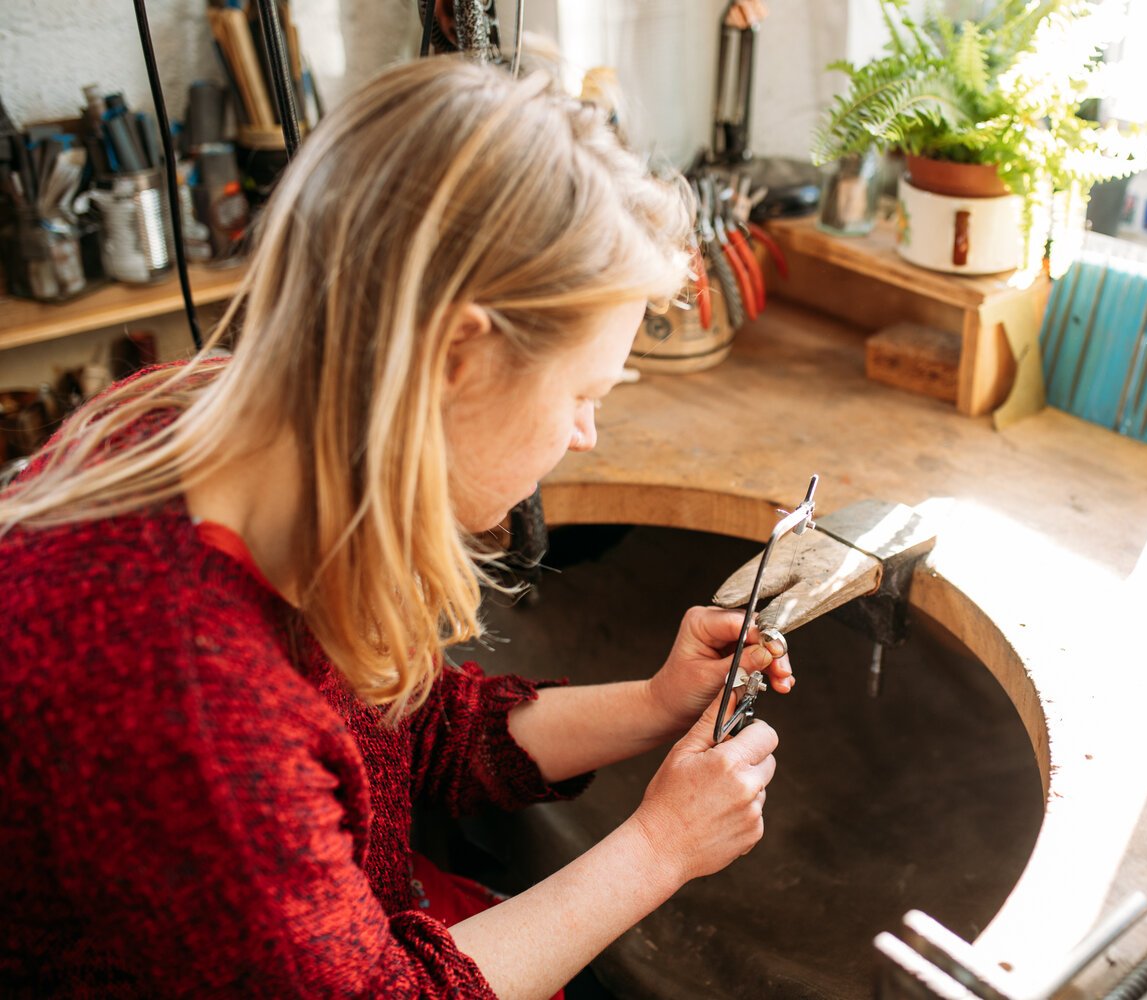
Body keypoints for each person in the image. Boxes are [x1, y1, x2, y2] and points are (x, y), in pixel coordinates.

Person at [0, 56, 792, 998]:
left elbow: (406, 726)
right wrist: (660, 847)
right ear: (459, 352)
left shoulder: (203, 419)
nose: (587, 436)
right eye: (583, 393)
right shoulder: (188, 706)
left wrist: (659, 703)